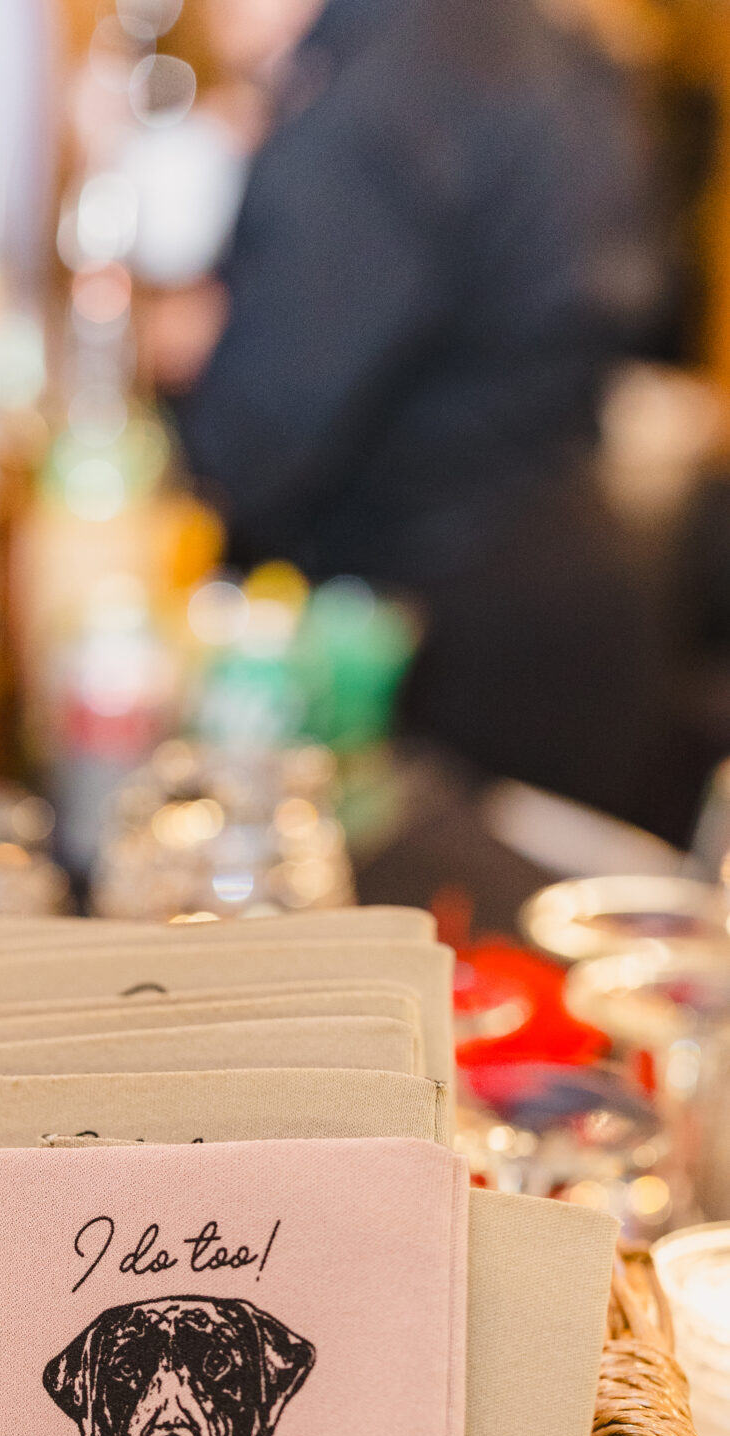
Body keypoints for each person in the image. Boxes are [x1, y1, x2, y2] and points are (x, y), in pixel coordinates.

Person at [167, 0, 672, 824]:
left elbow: (253, 436)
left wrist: (182, 350)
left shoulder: (377, 96)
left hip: (439, 648)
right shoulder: (521, 38)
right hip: (574, 590)